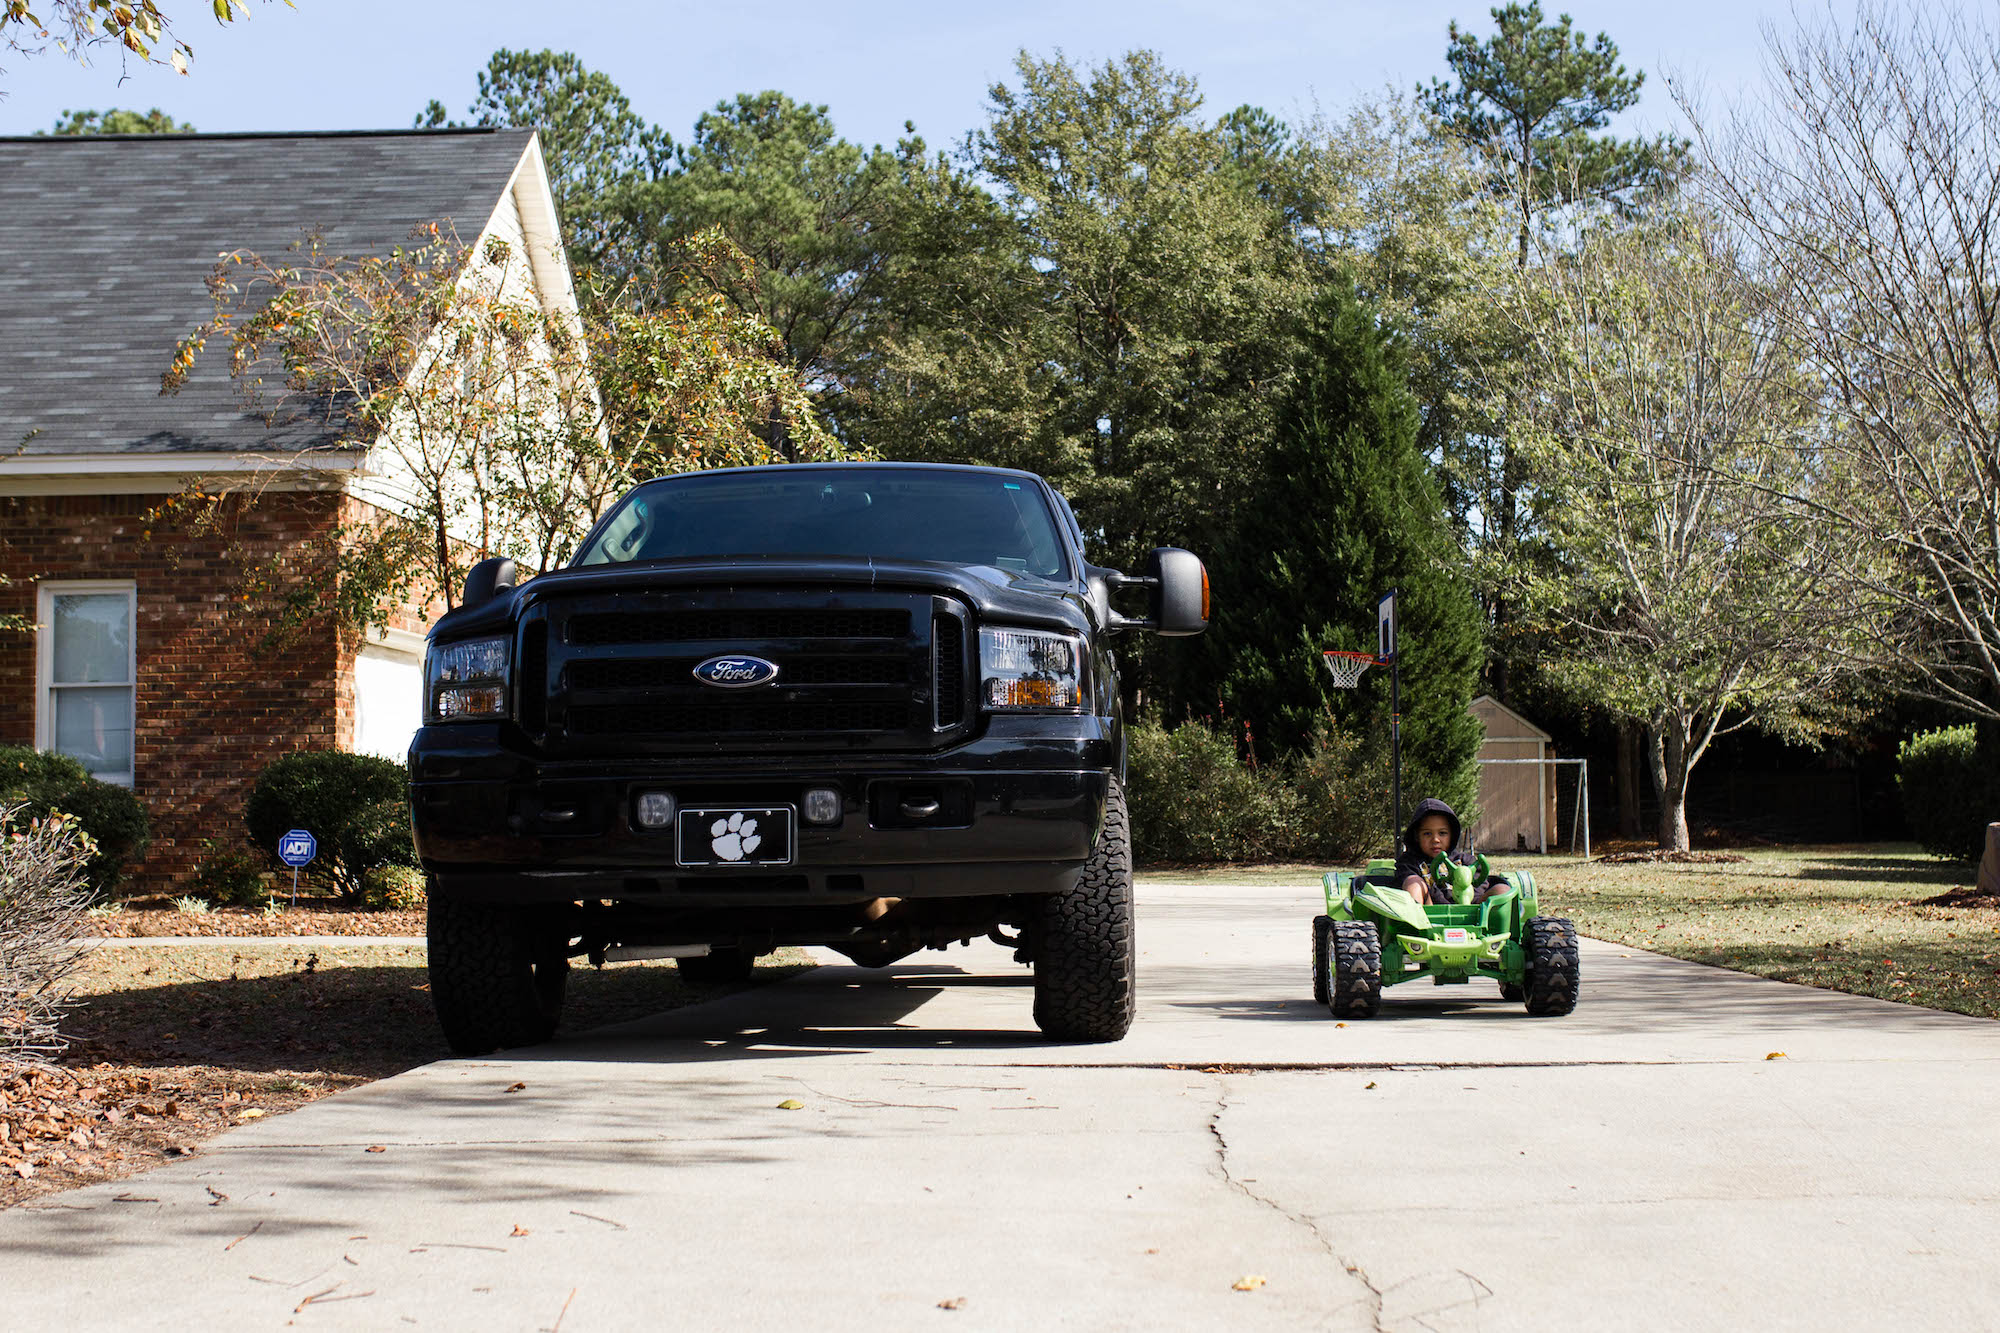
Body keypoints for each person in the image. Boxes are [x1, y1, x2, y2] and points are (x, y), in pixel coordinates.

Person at [1393, 797, 1492, 908]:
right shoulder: (1410, 862)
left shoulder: (1465, 860)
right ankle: (1412, 923)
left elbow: (1480, 885)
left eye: (1442, 833)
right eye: (1427, 834)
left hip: (1471, 913)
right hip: (1429, 915)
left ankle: (1494, 925)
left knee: (1501, 889)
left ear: (1452, 835)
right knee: (1414, 884)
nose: (1435, 839)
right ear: (1417, 836)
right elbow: (1403, 882)